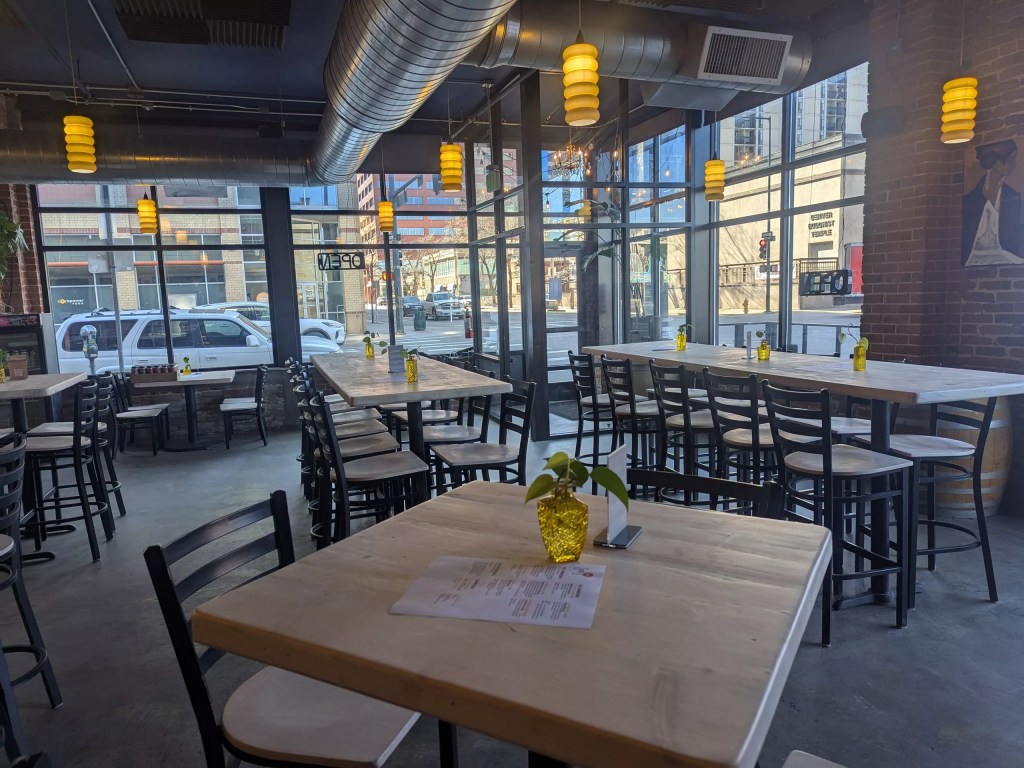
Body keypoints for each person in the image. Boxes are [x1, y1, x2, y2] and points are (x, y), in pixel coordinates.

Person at [962, 139, 1022, 266]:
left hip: (1003, 255)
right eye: (1010, 159)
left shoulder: (1013, 197)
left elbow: (1013, 241)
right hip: (972, 257)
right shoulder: (971, 199)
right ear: (995, 160)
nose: (1014, 164)